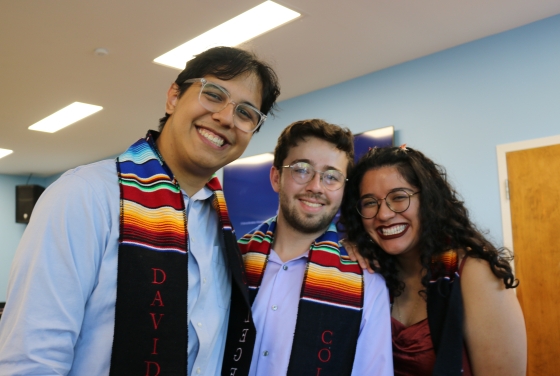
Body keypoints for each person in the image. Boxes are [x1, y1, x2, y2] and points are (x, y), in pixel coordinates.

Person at [0, 46, 281, 376]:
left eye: (246, 113)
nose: (225, 117)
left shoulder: (220, 227)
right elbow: (31, 359)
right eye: (214, 94)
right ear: (174, 97)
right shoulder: (85, 195)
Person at [340, 145, 527, 376]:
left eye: (399, 197)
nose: (384, 214)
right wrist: (342, 249)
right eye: (369, 202)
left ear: (428, 200)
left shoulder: (472, 272)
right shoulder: (373, 272)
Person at [238, 119, 393, 376]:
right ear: (277, 177)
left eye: (331, 176)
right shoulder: (232, 259)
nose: (315, 187)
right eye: (302, 170)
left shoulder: (366, 282)